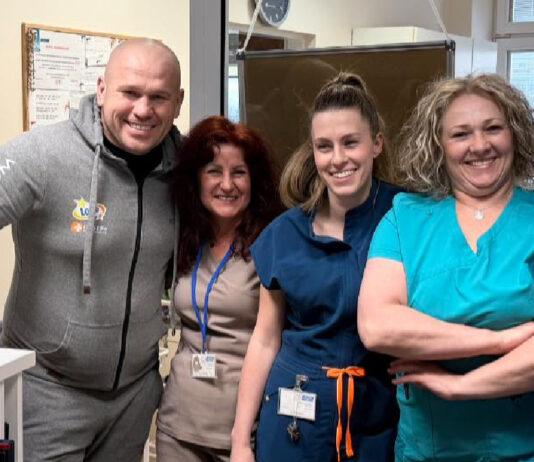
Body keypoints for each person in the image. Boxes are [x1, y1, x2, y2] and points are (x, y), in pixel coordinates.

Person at [0, 38, 184, 461]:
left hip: (135, 395)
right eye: (130, 92)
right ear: (102, 90)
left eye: (158, 97)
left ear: (178, 102)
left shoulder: (186, 168)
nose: (143, 110)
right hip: (48, 392)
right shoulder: (43, 154)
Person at [358, 74, 534, 461]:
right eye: (461, 134)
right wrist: (500, 341)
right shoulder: (405, 219)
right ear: (438, 145)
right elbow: (377, 326)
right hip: (428, 451)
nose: (480, 145)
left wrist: (460, 386)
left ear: (515, 133)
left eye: (493, 128)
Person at [231, 73, 401, 462]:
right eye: (324, 146)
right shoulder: (285, 234)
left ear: (376, 143)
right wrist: (240, 440)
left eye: (351, 142)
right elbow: (265, 339)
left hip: (376, 419)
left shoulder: (405, 218)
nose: (337, 159)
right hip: (292, 419)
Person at [156, 115, 281, 461]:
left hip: (243, 432)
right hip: (177, 425)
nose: (227, 184)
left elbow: (272, 339)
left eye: (238, 172)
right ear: (196, 178)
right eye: (214, 171)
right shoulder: (185, 236)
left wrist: (243, 441)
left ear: (254, 180)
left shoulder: (272, 243)